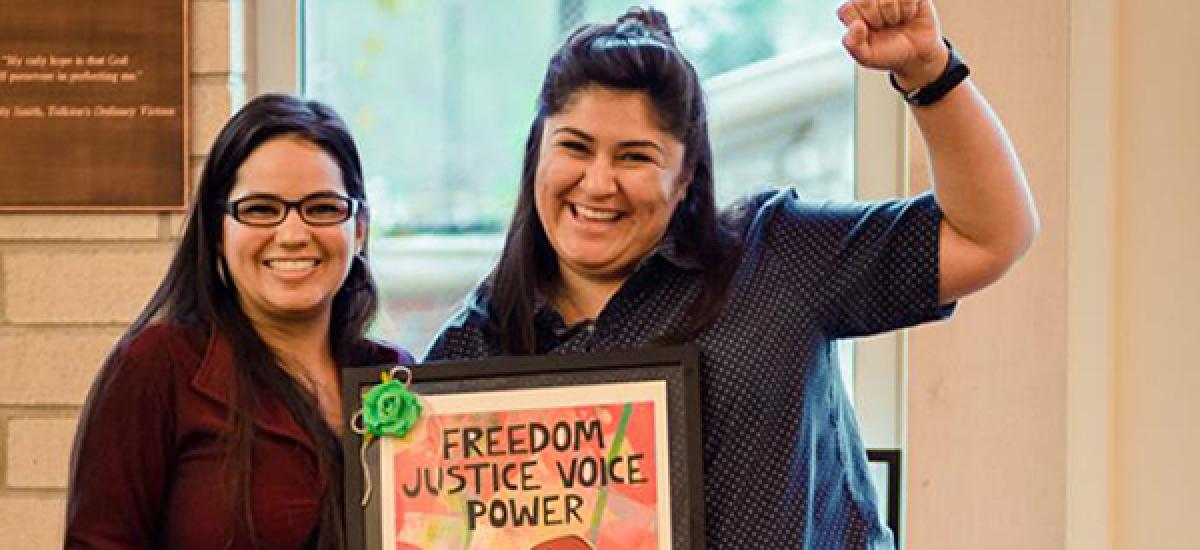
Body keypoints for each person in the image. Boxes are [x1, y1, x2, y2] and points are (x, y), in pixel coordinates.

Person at [426, 1, 1038, 548]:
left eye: (635, 157)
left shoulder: (776, 254)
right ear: (539, 151)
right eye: (575, 147)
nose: (598, 183)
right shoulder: (470, 349)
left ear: (686, 176)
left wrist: (930, 72)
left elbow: (989, 237)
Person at [66, 94, 412, 549]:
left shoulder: (394, 376)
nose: (292, 235)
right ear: (217, 230)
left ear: (360, 228)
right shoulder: (156, 368)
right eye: (260, 209)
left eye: (323, 208)